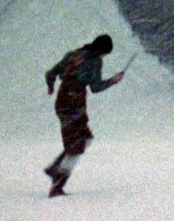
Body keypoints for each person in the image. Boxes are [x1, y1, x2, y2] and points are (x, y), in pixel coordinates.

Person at [42, 33, 124, 197]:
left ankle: (55, 168)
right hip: (74, 104)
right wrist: (114, 80)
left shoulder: (73, 54)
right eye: (105, 54)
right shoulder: (95, 61)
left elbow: (50, 73)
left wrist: (51, 87)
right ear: (102, 50)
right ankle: (57, 185)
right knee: (78, 144)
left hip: (63, 103)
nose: (104, 57)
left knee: (83, 139)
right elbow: (95, 87)